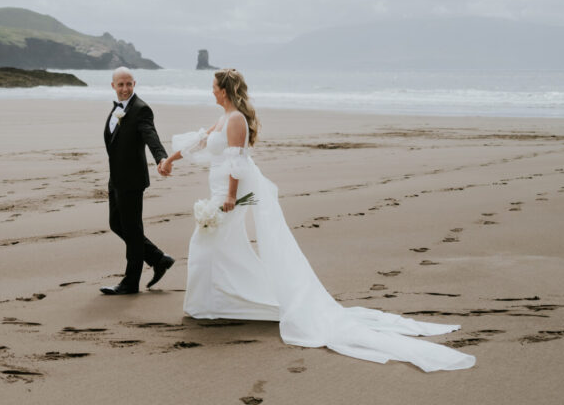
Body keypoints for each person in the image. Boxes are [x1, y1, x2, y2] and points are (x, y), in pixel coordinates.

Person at [157, 68, 475, 371]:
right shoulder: (224, 117)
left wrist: (230, 196)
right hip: (219, 188)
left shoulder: (237, 119)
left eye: (213, 86)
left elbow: (237, 161)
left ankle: (213, 303)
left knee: (205, 241)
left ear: (223, 90)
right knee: (220, 246)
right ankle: (219, 302)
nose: (211, 91)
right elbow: (202, 141)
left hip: (231, 193)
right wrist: (170, 159)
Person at [99, 67, 174, 295]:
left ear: (134, 84)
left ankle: (131, 282)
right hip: (116, 179)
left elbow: (151, 136)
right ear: (113, 85)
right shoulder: (117, 109)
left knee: (132, 229)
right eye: (120, 85)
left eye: (129, 84)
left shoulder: (141, 109)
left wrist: (161, 158)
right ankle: (157, 258)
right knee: (116, 224)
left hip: (132, 180)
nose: (125, 89)